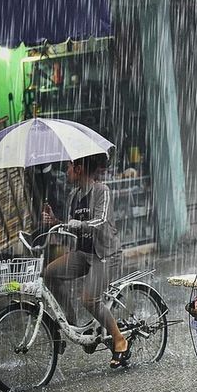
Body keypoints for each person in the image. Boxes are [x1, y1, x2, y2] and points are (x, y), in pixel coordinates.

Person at [41, 153, 129, 369]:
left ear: (79, 169)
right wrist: (56, 222)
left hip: (105, 255)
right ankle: (71, 323)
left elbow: (100, 220)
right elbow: (73, 226)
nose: (66, 171)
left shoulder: (102, 190)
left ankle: (120, 340)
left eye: (69, 166)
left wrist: (76, 225)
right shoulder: (73, 195)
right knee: (49, 274)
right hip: (83, 254)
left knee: (89, 299)